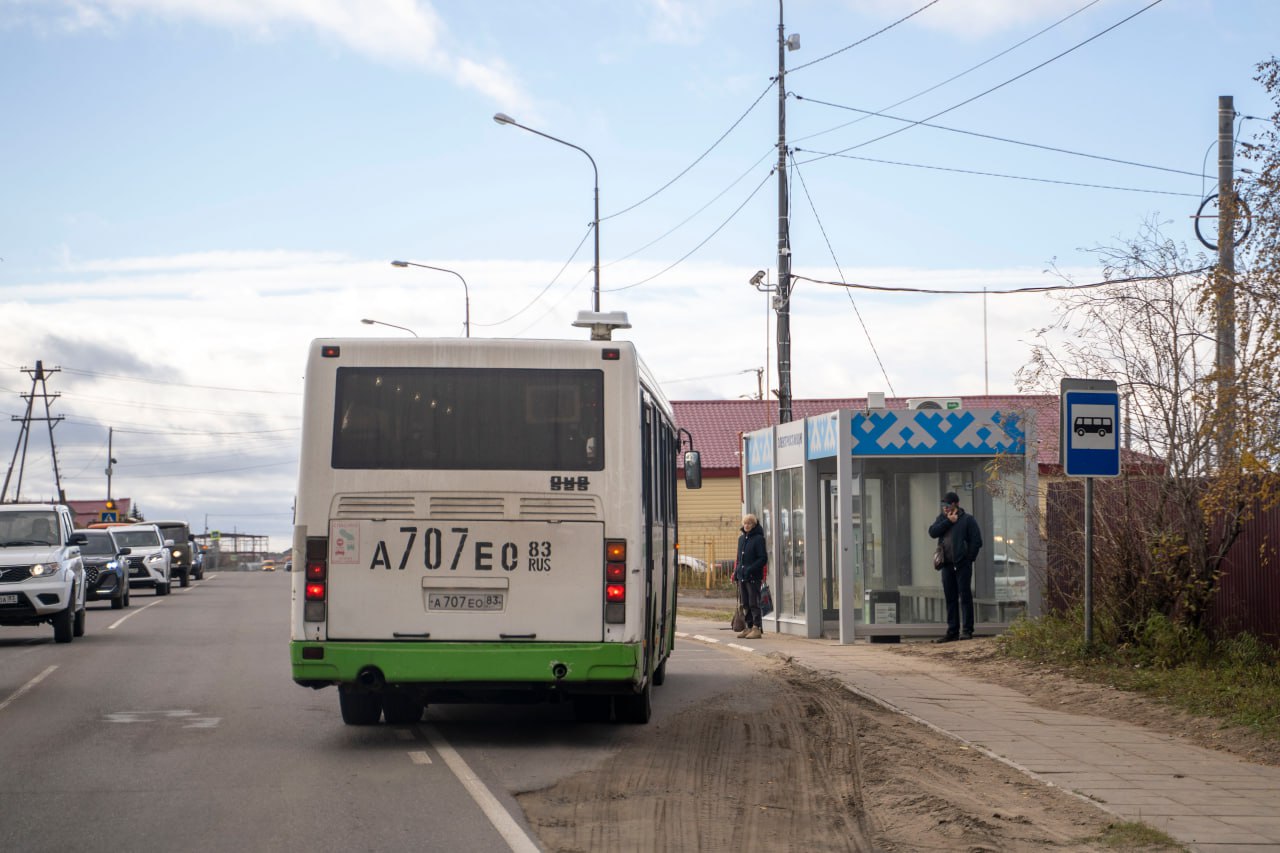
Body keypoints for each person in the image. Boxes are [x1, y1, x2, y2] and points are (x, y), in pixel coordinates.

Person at [928, 491, 983, 643]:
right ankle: (952, 631)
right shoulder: (943, 519)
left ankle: (967, 630)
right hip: (946, 564)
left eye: (947, 505)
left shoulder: (968, 520)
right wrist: (948, 521)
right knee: (950, 598)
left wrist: (968, 559)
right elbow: (932, 532)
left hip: (962, 564)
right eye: (943, 505)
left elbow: (977, 541)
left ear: (955, 504)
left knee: (965, 596)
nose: (945, 508)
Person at [733, 513, 768, 640]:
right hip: (742, 575)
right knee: (745, 603)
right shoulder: (741, 539)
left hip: (753, 576)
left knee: (754, 602)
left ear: (754, 525)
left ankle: (756, 627)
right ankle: (748, 626)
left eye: (749, 523)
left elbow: (763, 558)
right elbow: (739, 558)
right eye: (745, 523)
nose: (747, 525)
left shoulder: (758, 539)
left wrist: (750, 568)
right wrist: (737, 572)